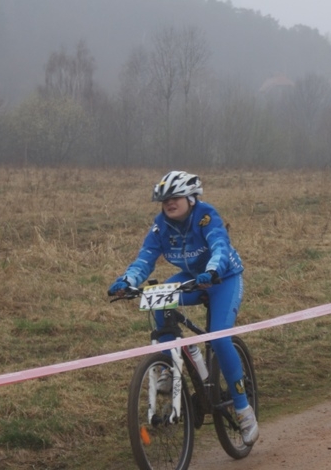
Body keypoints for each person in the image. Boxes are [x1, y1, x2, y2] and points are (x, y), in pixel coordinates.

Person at [107, 170, 260, 445]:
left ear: (191, 198)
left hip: (223, 278)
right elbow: (145, 259)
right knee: (159, 298)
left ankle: (243, 409)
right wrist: (127, 281)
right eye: (164, 200)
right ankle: (169, 365)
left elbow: (219, 246)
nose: (169, 203)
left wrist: (212, 271)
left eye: (175, 197)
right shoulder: (160, 227)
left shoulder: (206, 216)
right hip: (192, 278)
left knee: (219, 338)